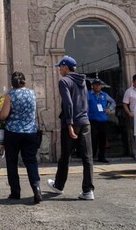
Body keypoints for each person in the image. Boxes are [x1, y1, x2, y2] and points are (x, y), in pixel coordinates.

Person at [47, 56, 95, 201]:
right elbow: (84, 101)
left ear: (65, 67)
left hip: (72, 122)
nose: (59, 70)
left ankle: (59, 185)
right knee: (88, 157)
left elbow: (68, 103)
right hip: (85, 121)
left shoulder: (64, 81)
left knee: (65, 156)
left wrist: (69, 124)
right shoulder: (83, 81)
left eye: (60, 67)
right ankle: (88, 191)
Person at [0, 71, 42, 204]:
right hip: (30, 132)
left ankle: (15, 192)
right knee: (31, 162)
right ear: (24, 81)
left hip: (13, 132)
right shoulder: (32, 93)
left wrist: (0, 115)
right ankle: (37, 188)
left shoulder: (10, 95)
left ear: (12, 83)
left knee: (12, 162)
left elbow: (4, 115)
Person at [88, 78, 117, 163]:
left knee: (103, 140)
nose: (97, 86)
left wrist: (109, 109)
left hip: (103, 120)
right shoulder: (88, 94)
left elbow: (113, 102)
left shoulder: (104, 94)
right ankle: (91, 156)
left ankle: (102, 156)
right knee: (93, 139)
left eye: (99, 85)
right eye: (95, 85)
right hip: (93, 120)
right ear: (92, 86)